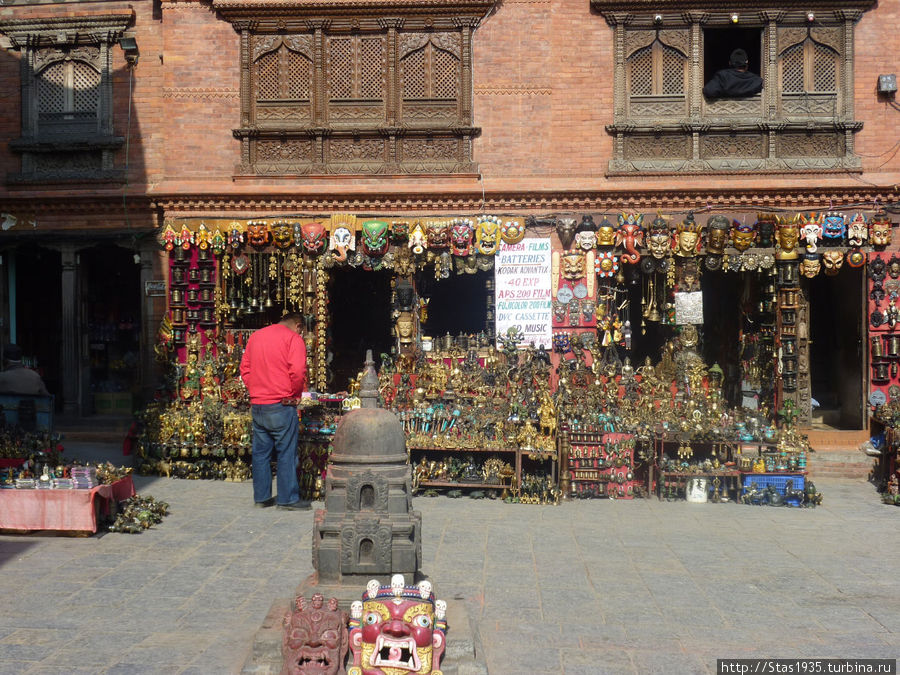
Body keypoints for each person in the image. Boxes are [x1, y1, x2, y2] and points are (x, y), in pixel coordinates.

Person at [240, 312, 309, 510]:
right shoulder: (293, 339)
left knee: (261, 453)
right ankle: (287, 499)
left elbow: (244, 368)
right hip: (281, 404)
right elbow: (297, 371)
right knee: (286, 452)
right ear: (298, 326)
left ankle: (261, 498)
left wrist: (254, 388)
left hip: (259, 404)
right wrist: (294, 394)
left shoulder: (257, 336)